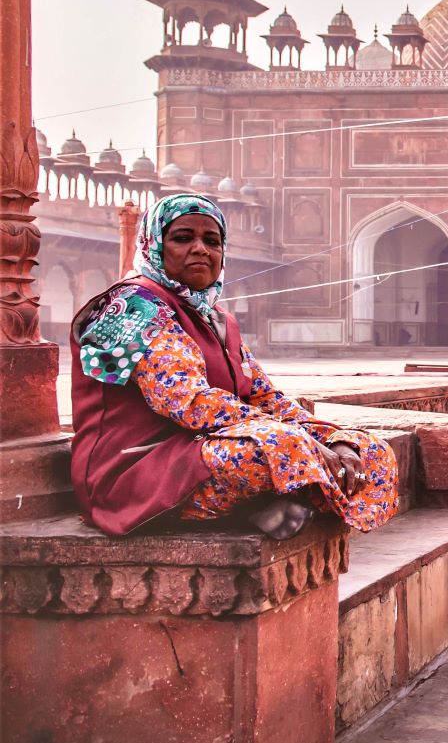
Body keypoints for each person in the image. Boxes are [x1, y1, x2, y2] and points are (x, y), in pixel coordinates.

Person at [69, 194, 399, 540]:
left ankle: (263, 504)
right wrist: (301, 440)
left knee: (370, 451)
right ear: (154, 244)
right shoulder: (132, 306)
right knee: (284, 447)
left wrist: (332, 439)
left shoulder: (215, 318)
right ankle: (276, 501)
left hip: (198, 453)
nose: (200, 249)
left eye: (211, 241)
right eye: (183, 238)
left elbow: (266, 398)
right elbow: (187, 402)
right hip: (133, 472)